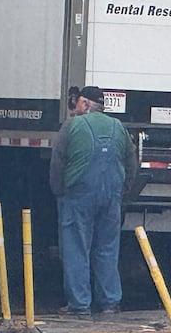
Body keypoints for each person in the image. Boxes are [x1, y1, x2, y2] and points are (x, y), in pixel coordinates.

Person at [49, 85, 138, 316]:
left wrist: (58, 190)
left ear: (86, 104)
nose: (76, 107)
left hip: (78, 195)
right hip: (111, 197)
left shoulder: (71, 126)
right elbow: (131, 163)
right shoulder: (118, 127)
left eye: (78, 102)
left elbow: (57, 162)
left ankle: (80, 305)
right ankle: (110, 303)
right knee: (107, 248)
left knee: (76, 247)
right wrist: (123, 193)